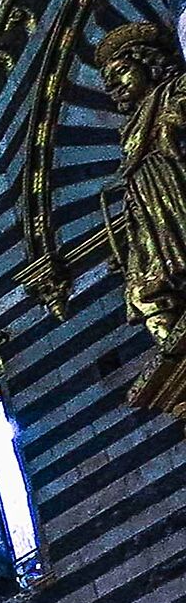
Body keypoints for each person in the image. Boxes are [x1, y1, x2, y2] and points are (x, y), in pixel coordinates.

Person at [95, 22, 186, 355]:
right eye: (108, 82)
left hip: (177, 186)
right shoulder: (129, 129)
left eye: (120, 72)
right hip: (151, 206)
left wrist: (170, 122)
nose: (114, 85)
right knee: (143, 282)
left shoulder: (172, 91)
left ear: (146, 62)